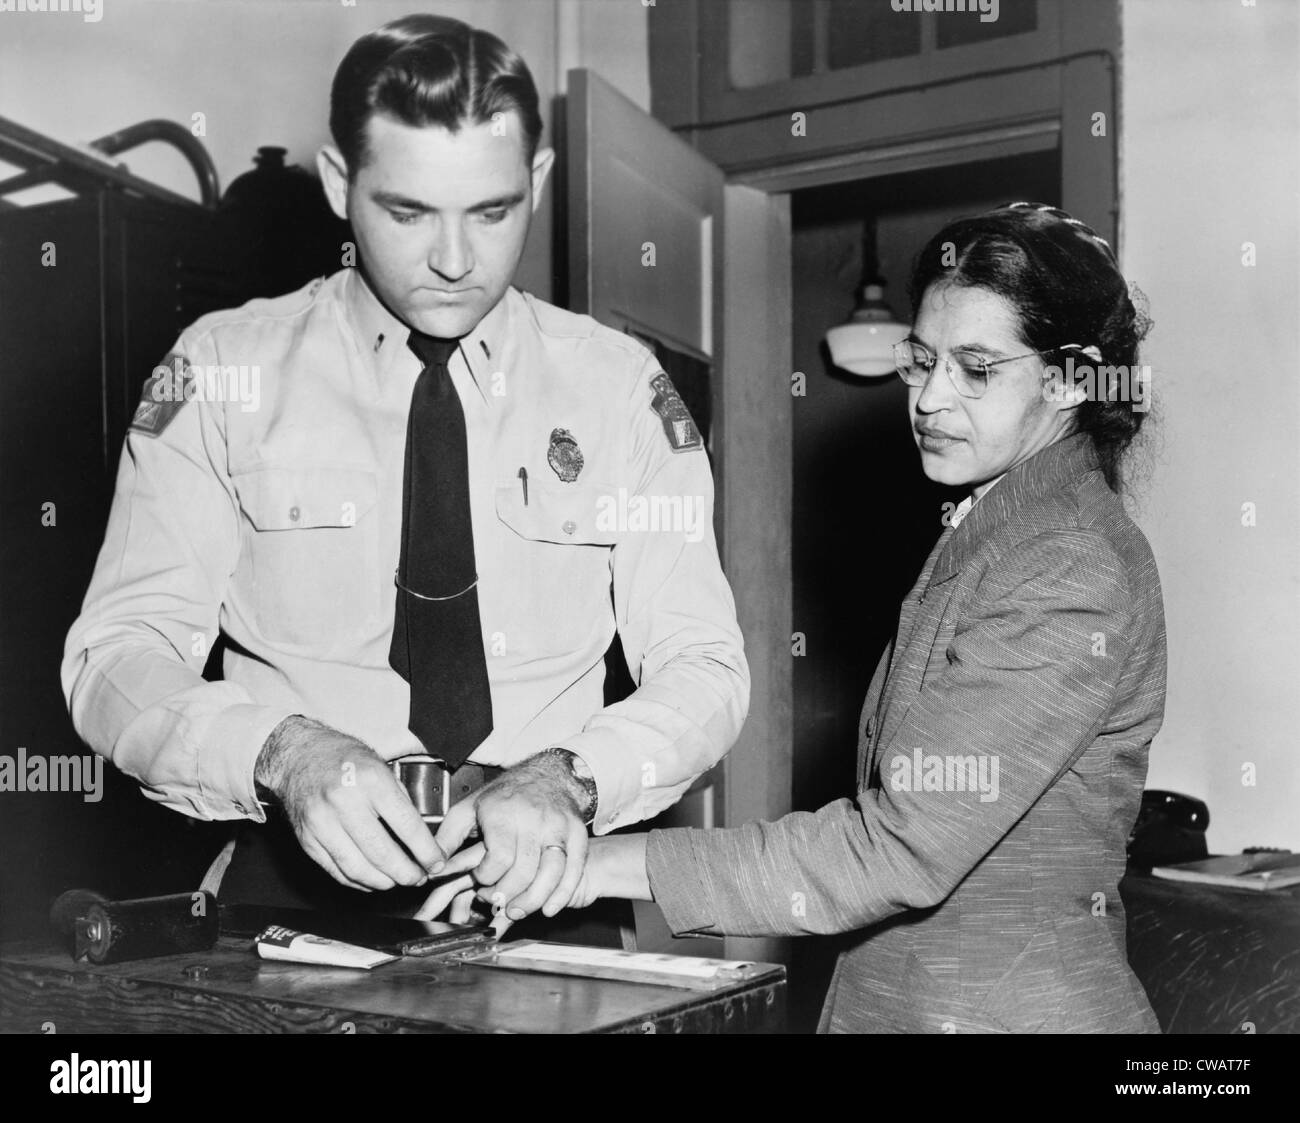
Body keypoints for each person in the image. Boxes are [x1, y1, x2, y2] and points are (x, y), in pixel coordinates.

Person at [61, 14, 748, 931]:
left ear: (536, 182)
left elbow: (703, 665)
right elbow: (115, 658)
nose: (455, 262)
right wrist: (283, 752)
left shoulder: (620, 391)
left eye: (494, 212)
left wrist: (576, 775)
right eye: (408, 212)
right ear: (342, 182)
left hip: (542, 895)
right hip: (284, 902)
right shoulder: (221, 373)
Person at [428, 202, 1166, 1032]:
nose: (929, 397)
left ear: (1070, 377)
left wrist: (584, 863)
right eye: (922, 361)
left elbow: (898, 846)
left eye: (977, 369)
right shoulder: (1003, 525)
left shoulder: (1067, 561)